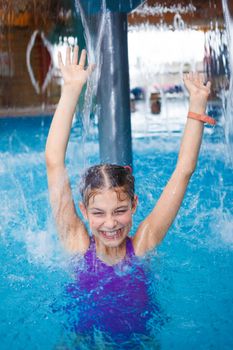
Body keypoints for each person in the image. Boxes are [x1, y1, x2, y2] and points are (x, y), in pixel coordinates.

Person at [45, 46, 215, 337]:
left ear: (134, 205)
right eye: (98, 213)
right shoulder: (76, 243)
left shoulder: (143, 244)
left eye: (120, 211)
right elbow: (53, 163)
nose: (110, 223)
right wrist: (71, 90)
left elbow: (183, 172)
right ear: (83, 212)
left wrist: (197, 106)